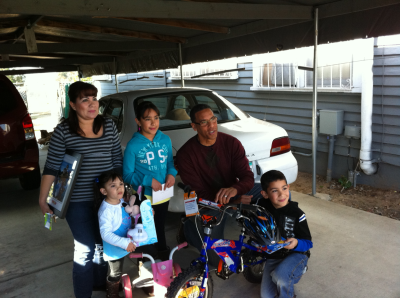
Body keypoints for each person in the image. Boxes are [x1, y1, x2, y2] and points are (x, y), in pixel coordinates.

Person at [38, 81, 123, 298]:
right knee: (84, 250)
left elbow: (116, 161)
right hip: (77, 201)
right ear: (73, 105)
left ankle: (100, 283)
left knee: (103, 243)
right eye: (85, 99)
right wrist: (42, 199)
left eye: (94, 98)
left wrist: (120, 191)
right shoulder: (63, 131)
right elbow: (52, 167)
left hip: (106, 199)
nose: (92, 104)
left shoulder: (109, 125)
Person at [175, 104, 256, 265]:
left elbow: (248, 177)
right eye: (204, 122)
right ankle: (188, 228)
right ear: (194, 126)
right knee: (219, 261)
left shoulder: (232, 143)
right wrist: (233, 203)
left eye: (213, 119)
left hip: (233, 192)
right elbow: (200, 193)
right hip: (209, 202)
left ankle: (268, 240)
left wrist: (236, 190)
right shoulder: (185, 155)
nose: (211, 125)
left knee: (276, 193)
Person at [123, 101, 177, 260]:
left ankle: (162, 259)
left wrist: (172, 174)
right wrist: (148, 180)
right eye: (148, 119)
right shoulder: (133, 145)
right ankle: (146, 260)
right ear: (138, 121)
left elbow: (170, 164)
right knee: (145, 229)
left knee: (159, 226)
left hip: (163, 195)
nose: (153, 123)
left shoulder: (165, 139)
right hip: (144, 197)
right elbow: (127, 175)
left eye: (156, 118)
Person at [258, 170, 312, 298]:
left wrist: (296, 243)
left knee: (280, 276)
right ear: (265, 194)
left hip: (296, 254)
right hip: (273, 257)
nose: (282, 194)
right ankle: (282, 274)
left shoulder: (297, 214)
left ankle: (289, 289)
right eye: (275, 190)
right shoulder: (261, 206)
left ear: (288, 188)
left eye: (284, 188)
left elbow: (308, 243)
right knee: (266, 296)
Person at [95, 171, 136, 298]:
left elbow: (131, 211)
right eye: (113, 185)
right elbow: (105, 234)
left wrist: (145, 212)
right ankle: (112, 294)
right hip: (115, 247)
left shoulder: (121, 200)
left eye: (121, 184)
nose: (119, 188)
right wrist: (125, 243)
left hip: (127, 241)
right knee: (115, 273)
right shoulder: (106, 210)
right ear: (104, 191)